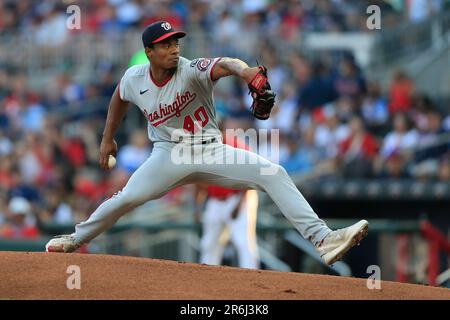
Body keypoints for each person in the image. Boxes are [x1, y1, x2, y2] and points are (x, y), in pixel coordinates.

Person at [46, 21, 368, 266]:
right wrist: (106, 139)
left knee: (273, 173)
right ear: (149, 53)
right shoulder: (135, 79)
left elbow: (226, 64)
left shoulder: (190, 70)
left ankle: (324, 239)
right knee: (126, 197)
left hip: (210, 149)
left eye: (175, 42)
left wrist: (247, 74)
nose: (174, 48)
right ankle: (77, 238)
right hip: (168, 155)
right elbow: (118, 99)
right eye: (165, 44)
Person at [194, 121, 259, 269]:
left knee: (243, 242)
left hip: (239, 197)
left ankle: (253, 280)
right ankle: (206, 277)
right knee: (209, 243)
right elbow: (197, 181)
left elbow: (250, 179)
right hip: (215, 200)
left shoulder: (237, 147)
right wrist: (197, 207)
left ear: (223, 131)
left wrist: (240, 206)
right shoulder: (204, 149)